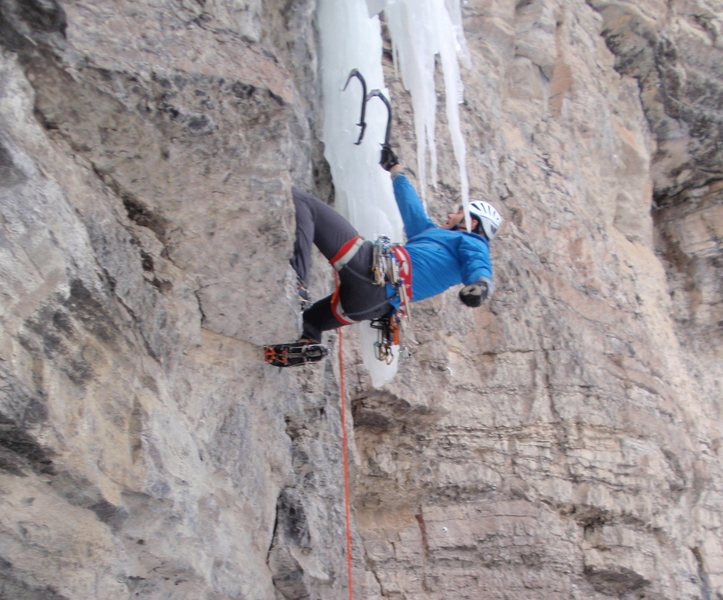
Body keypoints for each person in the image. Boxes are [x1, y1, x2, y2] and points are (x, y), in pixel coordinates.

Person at [290, 147, 502, 345]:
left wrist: (482, 285)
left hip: (372, 270)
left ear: (472, 222)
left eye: (458, 212)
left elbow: (478, 263)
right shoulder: (432, 235)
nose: (450, 215)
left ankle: (297, 283)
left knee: (304, 203)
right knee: (313, 320)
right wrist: (395, 170)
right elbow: (412, 209)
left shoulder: (472, 242)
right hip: (370, 305)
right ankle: (305, 342)